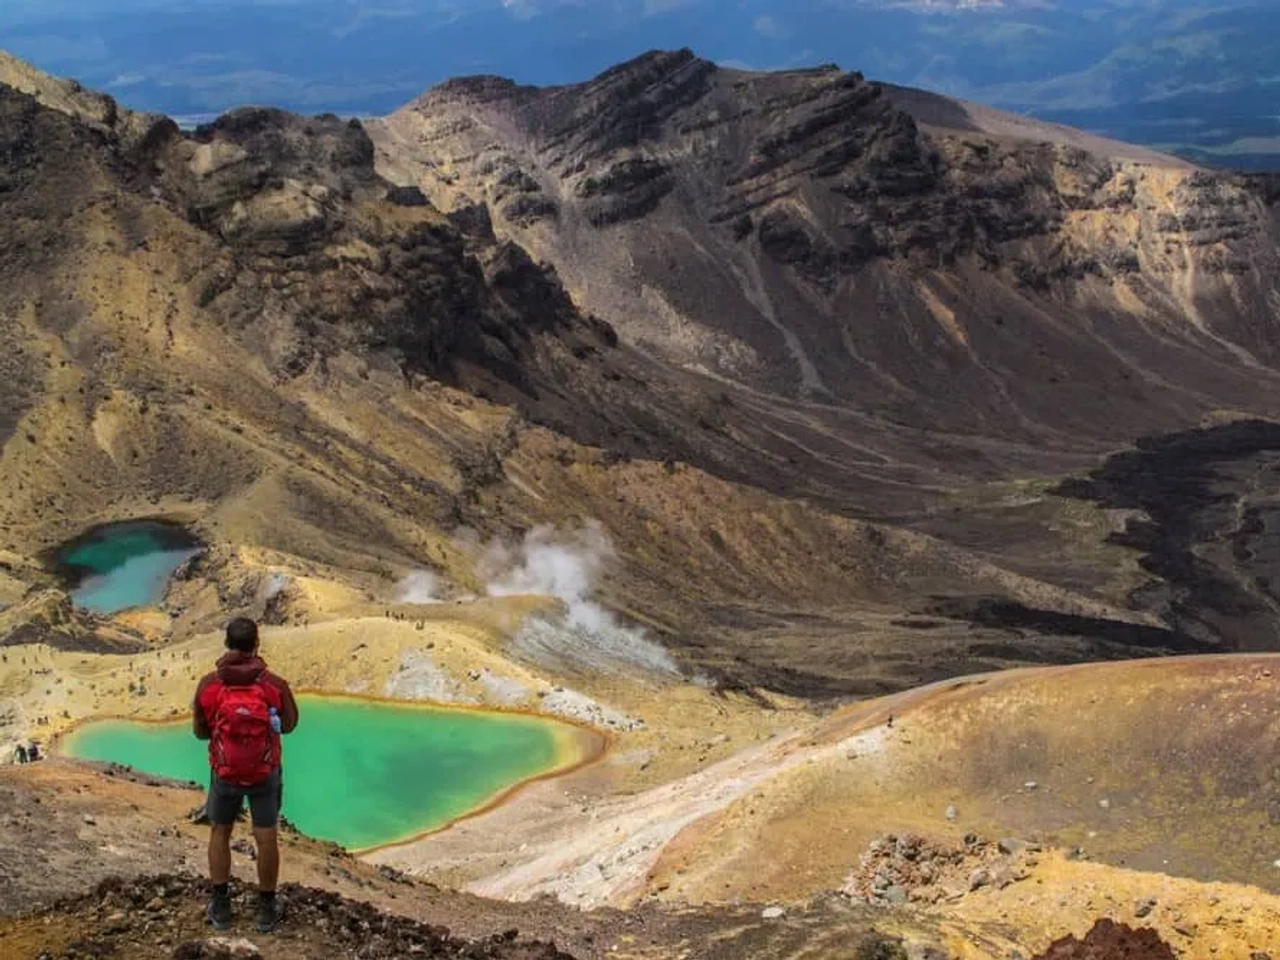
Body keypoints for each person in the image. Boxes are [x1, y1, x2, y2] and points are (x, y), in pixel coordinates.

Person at [193, 617, 299, 933]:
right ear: (257, 644)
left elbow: (200, 732)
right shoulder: (273, 685)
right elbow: (291, 724)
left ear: (227, 643)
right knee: (265, 837)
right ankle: (266, 909)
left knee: (219, 832)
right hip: (265, 774)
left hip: (225, 773)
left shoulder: (210, 685)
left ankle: (221, 906)